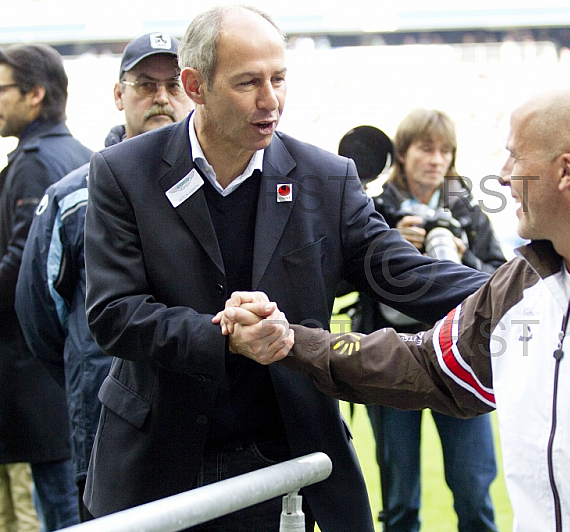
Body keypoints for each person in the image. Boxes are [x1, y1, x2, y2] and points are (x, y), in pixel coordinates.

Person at [221, 88, 570, 531]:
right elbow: (424, 367)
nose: (499, 174)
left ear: (565, 171)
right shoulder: (521, 283)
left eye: (512, 154)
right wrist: (291, 341)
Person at [82, 6, 488, 531]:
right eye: (248, 82)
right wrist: (226, 338)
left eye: (278, 79)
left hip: (290, 455)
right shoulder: (121, 172)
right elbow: (115, 314)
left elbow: (405, 274)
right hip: (161, 459)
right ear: (195, 85)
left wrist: (523, 289)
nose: (270, 100)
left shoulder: (327, 178)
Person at [14, 32, 192, 522]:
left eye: (173, 84)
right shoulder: (71, 197)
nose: (160, 97)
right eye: (144, 83)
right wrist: (91, 368)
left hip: (203, 428)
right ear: (119, 95)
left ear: (194, 90)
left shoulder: (222, 186)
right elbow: (40, 316)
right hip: (103, 428)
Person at [360, 109, 504, 532]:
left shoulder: (466, 206)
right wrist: (388, 248)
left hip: (459, 359)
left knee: (475, 494)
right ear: (402, 153)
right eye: (427, 148)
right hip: (391, 357)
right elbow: (338, 278)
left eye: (446, 151)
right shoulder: (373, 208)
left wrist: (463, 257)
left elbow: (501, 278)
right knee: (400, 501)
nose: (437, 159)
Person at [0, 43, 92, 531]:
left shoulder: (36, 161)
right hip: (66, 370)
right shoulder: (78, 153)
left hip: (38, 376)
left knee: (62, 510)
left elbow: (23, 273)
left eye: (2, 90)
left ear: (35, 94)